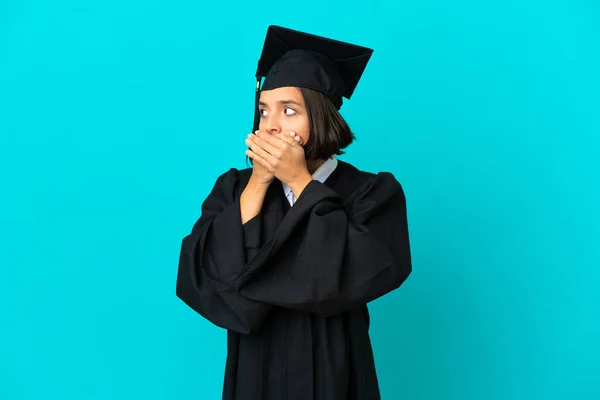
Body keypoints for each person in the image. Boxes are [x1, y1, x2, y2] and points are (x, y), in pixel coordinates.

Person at [176, 25, 412, 400]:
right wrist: (258, 183)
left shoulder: (371, 191)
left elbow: (363, 273)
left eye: (289, 110)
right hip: (254, 371)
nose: (270, 125)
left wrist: (300, 181)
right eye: (263, 110)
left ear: (321, 117)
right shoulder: (234, 188)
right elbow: (204, 275)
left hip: (336, 368)